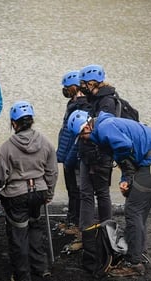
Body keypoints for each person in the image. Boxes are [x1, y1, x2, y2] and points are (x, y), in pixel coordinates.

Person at [68, 110, 151, 277]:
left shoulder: (104, 128)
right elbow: (126, 158)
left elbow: (124, 147)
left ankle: (134, 263)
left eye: (82, 135)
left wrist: (127, 171)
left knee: (133, 210)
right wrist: (126, 179)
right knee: (139, 210)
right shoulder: (104, 127)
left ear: (87, 126)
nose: (83, 139)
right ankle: (138, 252)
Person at [0, 101, 58, 281]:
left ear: (14, 123)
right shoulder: (46, 142)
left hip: (16, 195)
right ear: (31, 121)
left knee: (18, 233)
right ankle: (41, 267)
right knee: (35, 226)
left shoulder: (5, 148)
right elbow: (52, 171)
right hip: (39, 192)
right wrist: (49, 193)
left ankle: (22, 274)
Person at [77, 64, 118, 230]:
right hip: (87, 152)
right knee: (85, 193)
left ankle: (107, 232)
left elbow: (101, 128)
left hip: (101, 155)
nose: (82, 87)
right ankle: (86, 232)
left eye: (84, 83)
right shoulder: (94, 99)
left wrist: (82, 104)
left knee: (101, 193)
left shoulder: (107, 102)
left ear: (93, 83)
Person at [56, 70, 91, 238]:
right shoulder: (72, 103)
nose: (65, 90)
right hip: (67, 153)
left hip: (75, 155)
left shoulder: (83, 105)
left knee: (77, 190)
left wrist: (70, 155)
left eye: (67, 87)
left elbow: (77, 135)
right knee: (71, 189)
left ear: (75, 87)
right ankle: (71, 219)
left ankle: (77, 223)